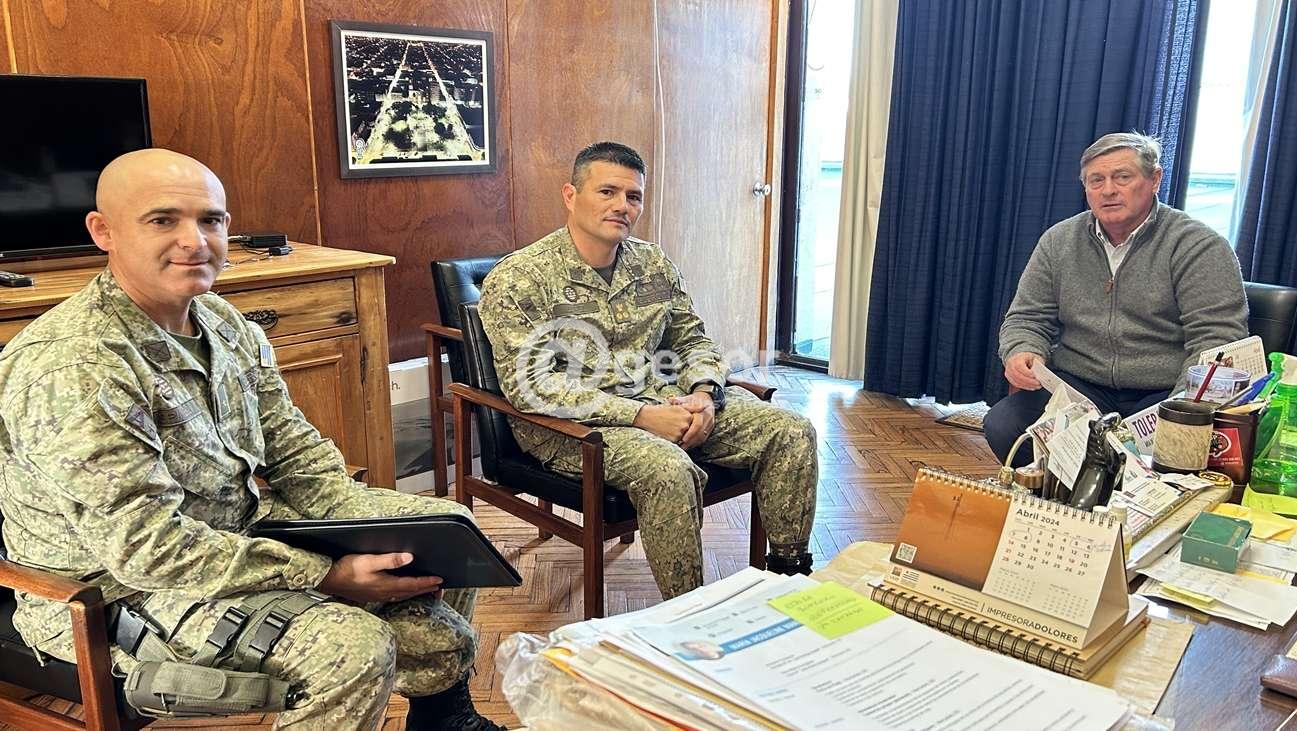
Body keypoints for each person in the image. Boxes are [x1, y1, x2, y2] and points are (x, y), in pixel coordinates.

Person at [0, 149, 502, 730]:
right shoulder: (75, 366)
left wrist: (360, 525)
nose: (194, 241)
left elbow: (292, 445)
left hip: (235, 532)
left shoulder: (221, 322)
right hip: (108, 593)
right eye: (163, 220)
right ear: (103, 231)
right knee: (352, 649)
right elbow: (145, 550)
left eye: (210, 220)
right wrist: (325, 573)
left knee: (444, 531)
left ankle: (444, 719)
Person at [478, 141, 818, 599]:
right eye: (607, 192)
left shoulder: (652, 263)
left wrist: (704, 393)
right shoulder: (520, 277)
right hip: (573, 427)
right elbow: (531, 385)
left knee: (791, 431)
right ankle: (685, 611)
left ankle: (789, 577)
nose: (622, 206)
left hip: (665, 398)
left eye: (633, 196)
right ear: (570, 195)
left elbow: (692, 339)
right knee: (668, 470)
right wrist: (640, 416)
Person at [986, 132, 1248, 465]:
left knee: (1146, 454)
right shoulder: (1058, 241)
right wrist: (1023, 349)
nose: (1108, 190)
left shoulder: (1198, 245)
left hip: (1163, 391)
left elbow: (1217, 342)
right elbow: (1027, 317)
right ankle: (1065, 497)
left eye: (1122, 177)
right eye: (1096, 180)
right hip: (1079, 386)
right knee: (1004, 425)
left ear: (1154, 180)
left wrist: (1179, 407)